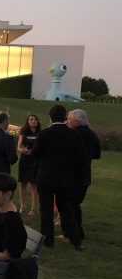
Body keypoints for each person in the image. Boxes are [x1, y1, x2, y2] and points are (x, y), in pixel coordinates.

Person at [32, 104, 83, 250]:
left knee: (46, 209)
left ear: (50, 116)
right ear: (65, 116)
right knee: (66, 208)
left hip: (46, 176)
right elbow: (79, 157)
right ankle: (75, 239)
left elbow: (35, 155)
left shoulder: (44, 134)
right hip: (65, 177)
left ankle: (48, 241)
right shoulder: (73, 134)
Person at [66, 109, 101, 241]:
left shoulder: (72, 134)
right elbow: (97, 155)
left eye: (69, 119)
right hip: (85, 175)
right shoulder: (93, 135)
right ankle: (76, 232)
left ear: (76, 121)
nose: (67, 121)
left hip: (71, 174)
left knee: (69, 205)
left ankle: (73, 233)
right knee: (75, 204)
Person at [16, 114, 41, 216]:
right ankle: (22, 206)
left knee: (34, 185)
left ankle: (34, 209)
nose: (33, 121)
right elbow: (18, 147)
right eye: (31, 119)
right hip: (25, 161)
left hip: (35, 161)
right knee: (23, 184)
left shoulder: (40, 133)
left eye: (35, 119)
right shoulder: (23, 133)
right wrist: (23, 150)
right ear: (27, 122)